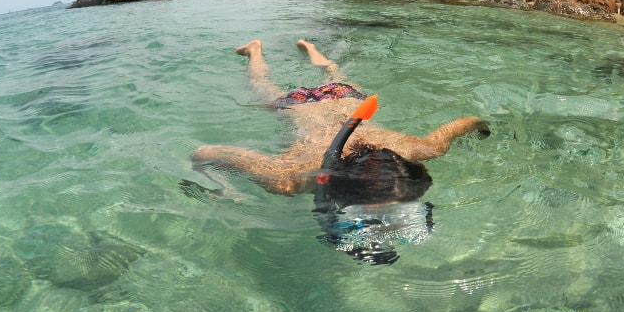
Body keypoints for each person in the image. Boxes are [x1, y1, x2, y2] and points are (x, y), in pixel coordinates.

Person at [191, 39, 489, 264]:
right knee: (264, 84)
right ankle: (256, 50)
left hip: (345, 98)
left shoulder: (420, 150)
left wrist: (483, 128)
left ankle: (305, 47)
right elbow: (204, 152)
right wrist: (224, 186)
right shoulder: (289, 178)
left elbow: (468, 122)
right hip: (306, 102)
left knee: (326, 72)